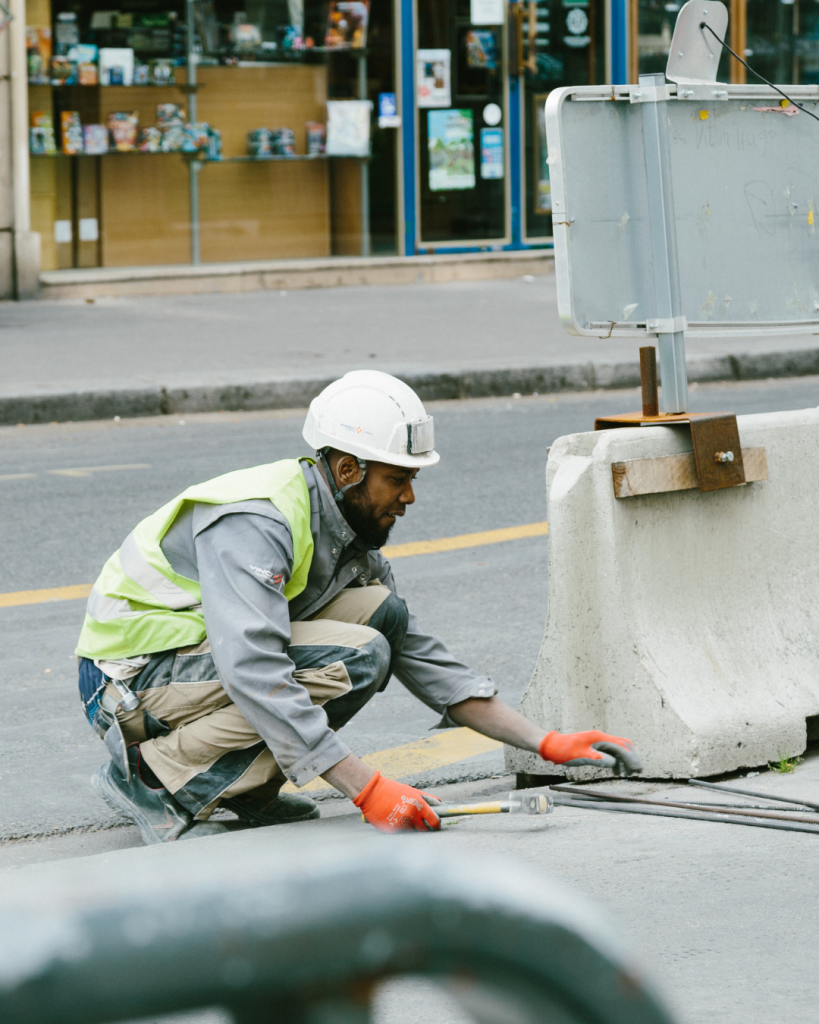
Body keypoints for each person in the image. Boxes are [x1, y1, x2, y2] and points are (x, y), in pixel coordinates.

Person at [76, 371, 640, 844]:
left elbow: (422, 657)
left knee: (382, 618)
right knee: (358, 656)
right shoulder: (258, 520)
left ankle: (244, 790)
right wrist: (366, 789)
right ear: (348, 470)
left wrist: (544, 742)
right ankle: (154, 782)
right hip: (127, 682)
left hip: (187, 669)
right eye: (398, 479)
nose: (409, 497)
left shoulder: (348, 533)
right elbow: (252, 667)